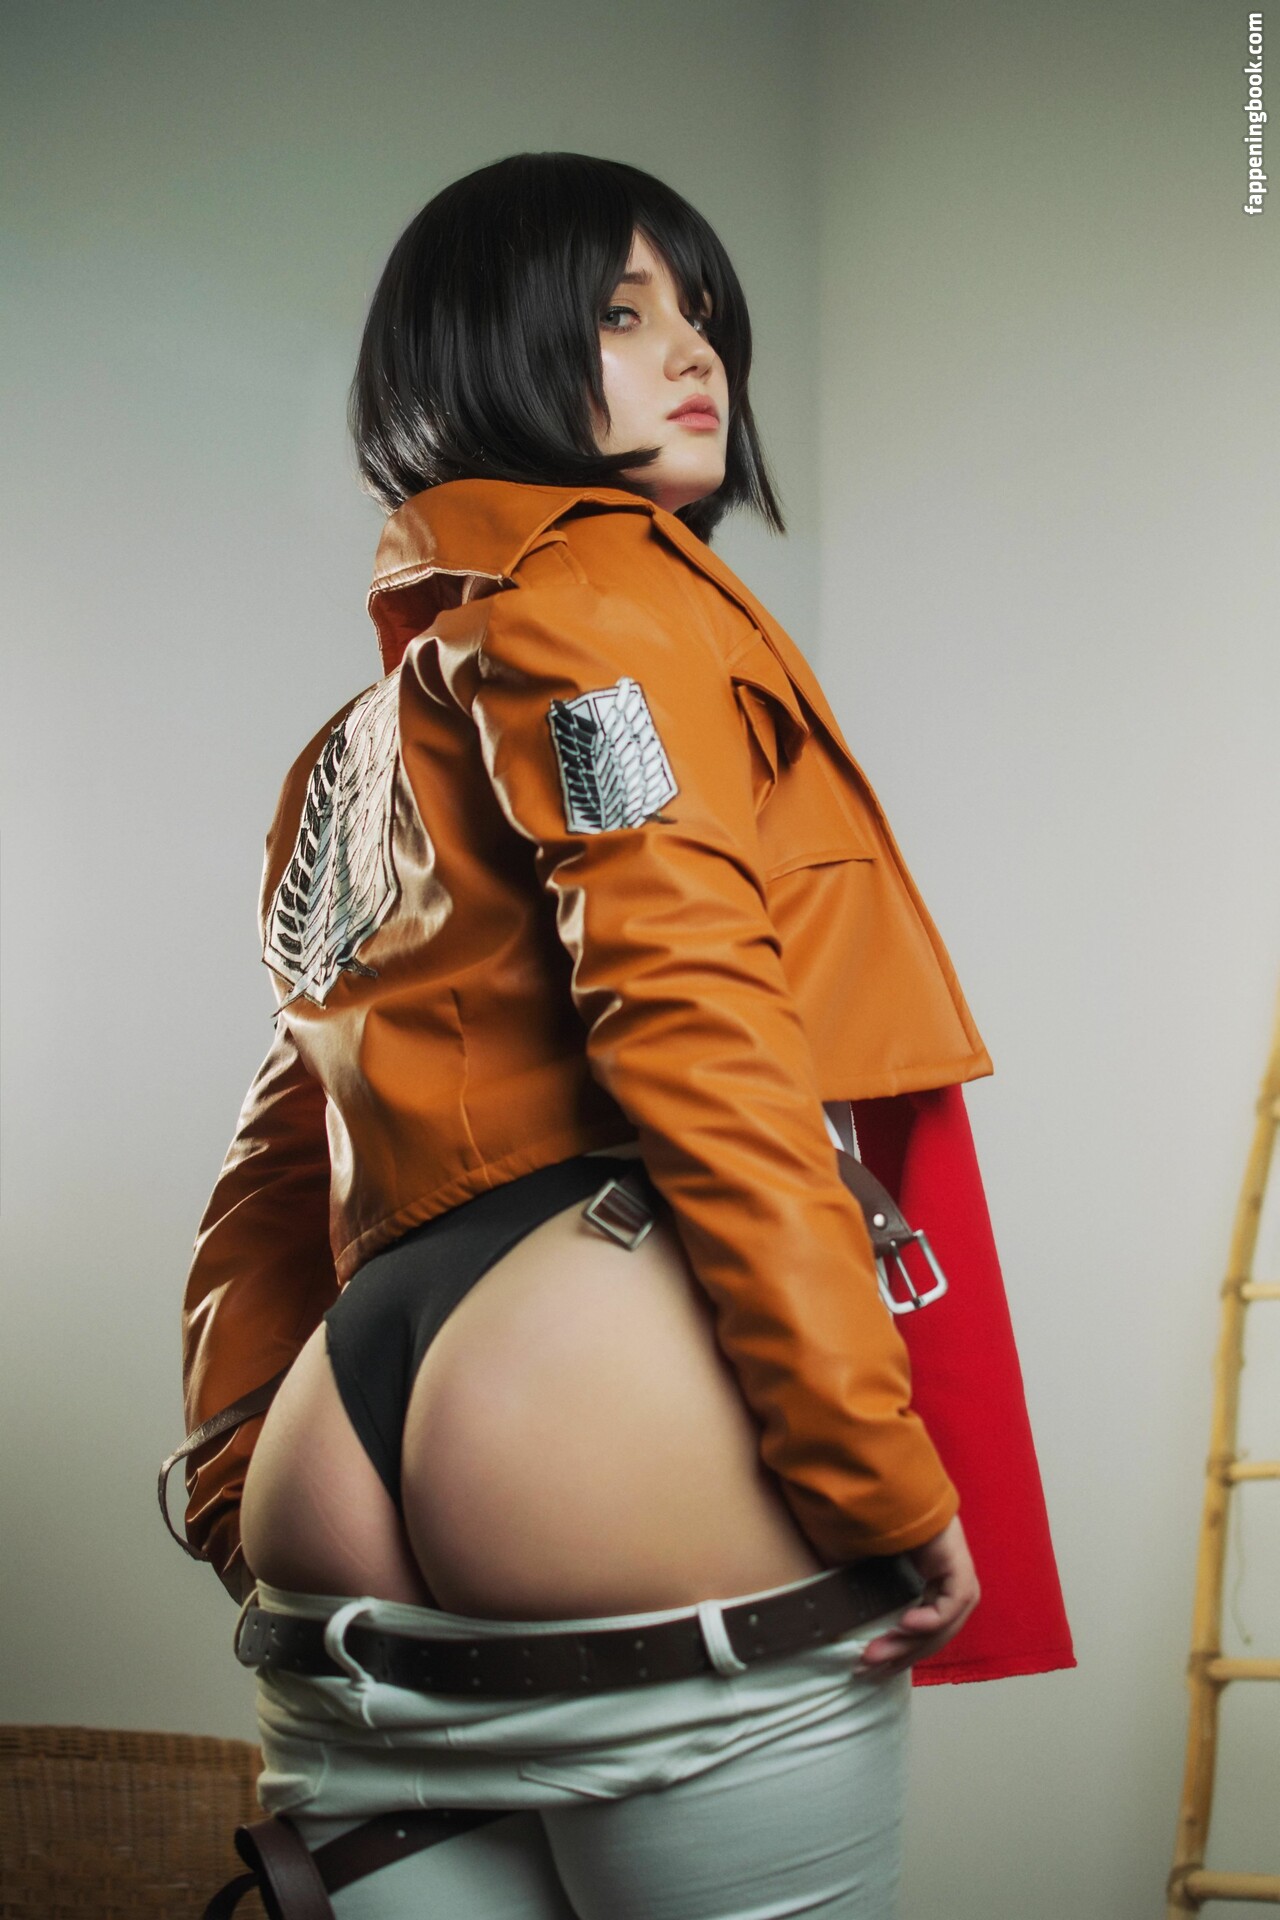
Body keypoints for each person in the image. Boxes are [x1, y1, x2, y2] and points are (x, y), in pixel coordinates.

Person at [172, 152, 1073, 1918]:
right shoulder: (606, 600)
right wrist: (873, 1468)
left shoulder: (358, 739)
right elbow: (695, 1028)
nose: (696, 352)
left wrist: (237, 1476)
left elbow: (280, 1149)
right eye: (620, 312)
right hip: (587, 1424)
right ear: (481, 350)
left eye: (705, 313)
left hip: (343, 1471)